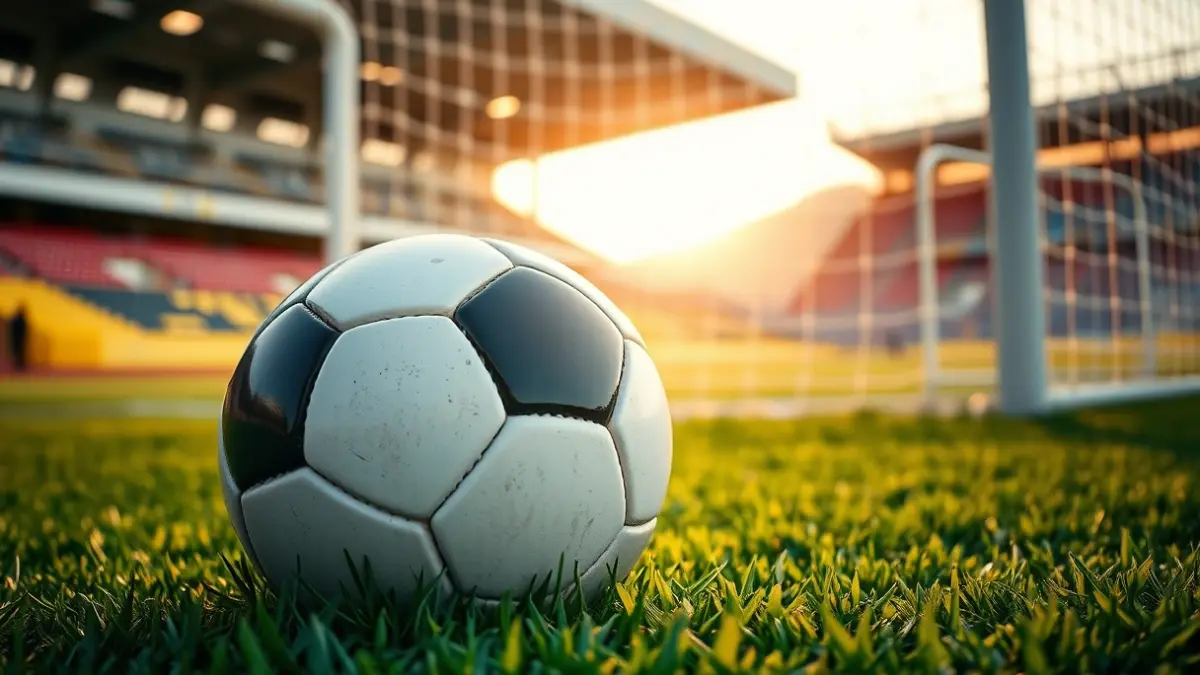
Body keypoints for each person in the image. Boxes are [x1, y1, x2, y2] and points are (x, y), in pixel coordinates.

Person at [9, 303, 28, 372]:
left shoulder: (20, 320)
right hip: (18, 338)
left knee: (19, 351)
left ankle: (19, 364)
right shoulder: (19, 320)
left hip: (20, 338)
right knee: (17, 351)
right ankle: (17, 364)